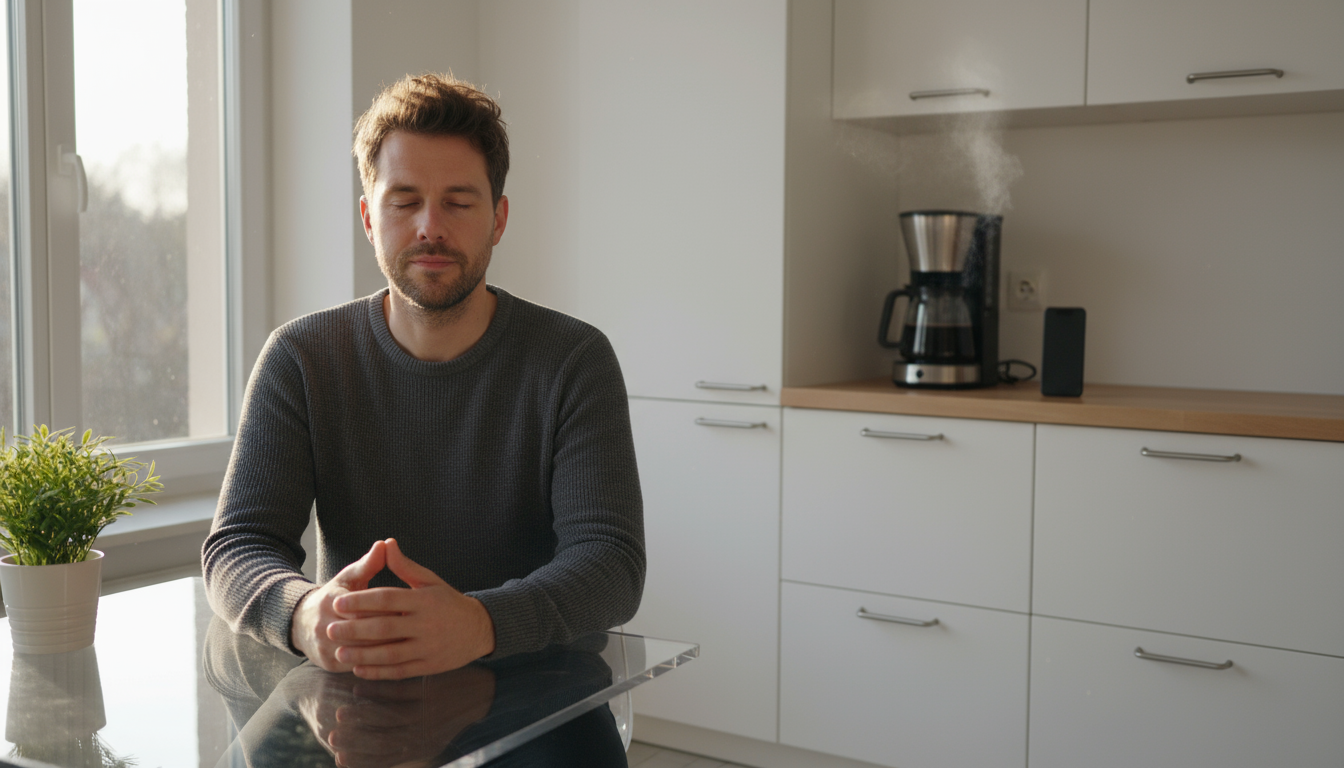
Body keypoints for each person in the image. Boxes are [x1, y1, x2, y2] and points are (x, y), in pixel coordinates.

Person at [202, 73, 645, 682]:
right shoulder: (300, 357)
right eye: (404, 201)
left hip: (539, 685)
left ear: (498, 218)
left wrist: (478, 624)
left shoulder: (573, 359)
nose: (430, 227)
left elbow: (610, 565)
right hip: (361, 691)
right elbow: (238, 545)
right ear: (368, 216)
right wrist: (304, 614)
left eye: (459, 202)